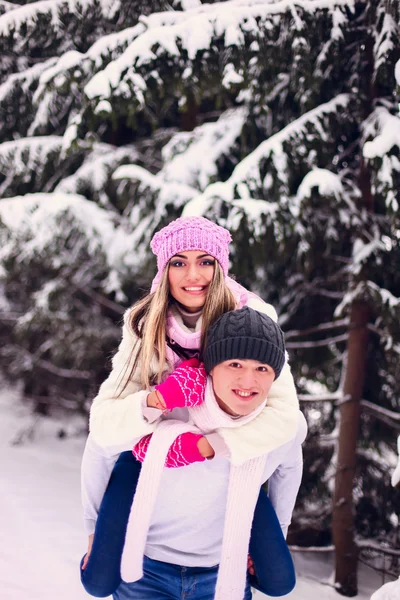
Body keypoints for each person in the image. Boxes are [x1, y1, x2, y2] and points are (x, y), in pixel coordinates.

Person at [81, 306, 307, 600]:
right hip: (147, 570)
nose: (248, 381)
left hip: (223, 572)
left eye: (262, 369)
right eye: (235, 364)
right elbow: (100, 446)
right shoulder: (173, 410)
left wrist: (273, 537)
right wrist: (92, 529)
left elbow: (289, 468)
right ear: (211, 366)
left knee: (280, 581)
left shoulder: (281, 427)